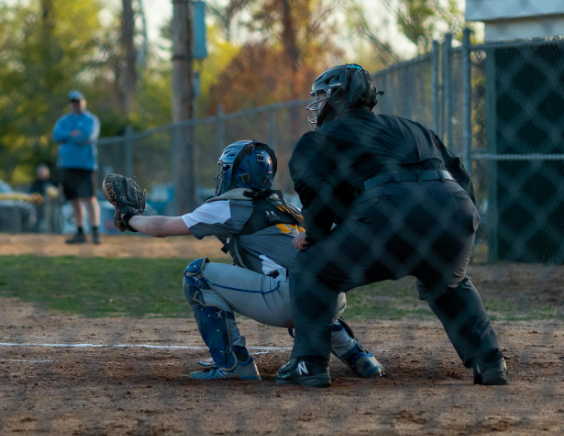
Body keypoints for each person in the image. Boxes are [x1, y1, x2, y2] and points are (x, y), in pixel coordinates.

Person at [279, 63, 508, 388]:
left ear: (337, 96)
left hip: (388, 210)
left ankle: (309, 364)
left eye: (319, 96)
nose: (315, 104)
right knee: (449, 282)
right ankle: (490, 361)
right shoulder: (412, 127)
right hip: (454, 210)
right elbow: (459, 175)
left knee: (310, 269)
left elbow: (319, 193)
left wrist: (314, 235)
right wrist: (461, 229)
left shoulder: (319, 138)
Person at [102, 141, 384, 381]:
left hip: (287, 298)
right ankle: (358, 356)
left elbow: (163, 227)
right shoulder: (286, 205)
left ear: (236, 173)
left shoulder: (229, 204)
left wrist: (130, 218)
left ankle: (234, 365)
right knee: (308, 288)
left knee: (197, 275)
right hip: (330, 297)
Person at [52, 90, 101, 244]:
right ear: (69, 104)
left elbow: (87, 136)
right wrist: (71, 134)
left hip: (85, 165)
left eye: (78, 102)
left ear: (83, 102)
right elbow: (55, 135)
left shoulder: (91, 119)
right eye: (73, 102)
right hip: (67, 165)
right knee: (74, 200)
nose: (76, 105)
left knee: (89, 198)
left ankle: (95, 231)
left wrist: (68, 137)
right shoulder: (64, 120)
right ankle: (80, 232)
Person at [29, 164, 59, 232]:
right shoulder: (36, 183)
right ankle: (38, 231)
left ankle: (53, 231)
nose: (41, 173)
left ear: (47, 172)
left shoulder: (52, 181)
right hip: (39, 205)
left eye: (43, 171)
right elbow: (32, 193)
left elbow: (58, 192)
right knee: (39, 217)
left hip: (52, 204)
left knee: (52, 216)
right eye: (39, 171)